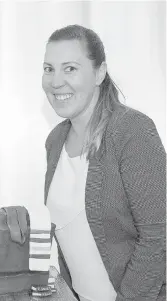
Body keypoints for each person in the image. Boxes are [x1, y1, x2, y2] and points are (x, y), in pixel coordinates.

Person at [43, 24, 166, 301]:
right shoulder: (55, 140)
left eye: (70, 68)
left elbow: (158, 238)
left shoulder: (133, 131)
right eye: (49, 68)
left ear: (99, 73)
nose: (55, 81)